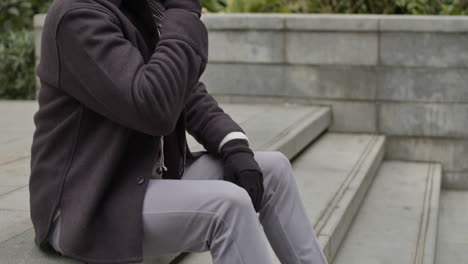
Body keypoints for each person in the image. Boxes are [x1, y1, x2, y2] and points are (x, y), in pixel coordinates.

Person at [30, 0, 328, 263]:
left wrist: (235, 146)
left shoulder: (135, 8)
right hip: (89, 202)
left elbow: (186, 94)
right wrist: (183, 13)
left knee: (274, 168)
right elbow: (152, 106)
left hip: (140, 178)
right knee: (227, 206)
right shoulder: (76, 16)